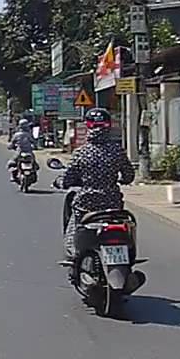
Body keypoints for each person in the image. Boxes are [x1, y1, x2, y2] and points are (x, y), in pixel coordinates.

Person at [60, 108, 135, 258]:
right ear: (109, 125)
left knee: (75, 226)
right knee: (128, 223)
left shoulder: (81, 152)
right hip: (112, 201)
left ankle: (74, 255)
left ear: (88, 126)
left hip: (86, 203)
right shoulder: (117, 151)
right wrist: (120, 179)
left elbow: (68, 178)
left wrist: (63, 182)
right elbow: (129, 176)